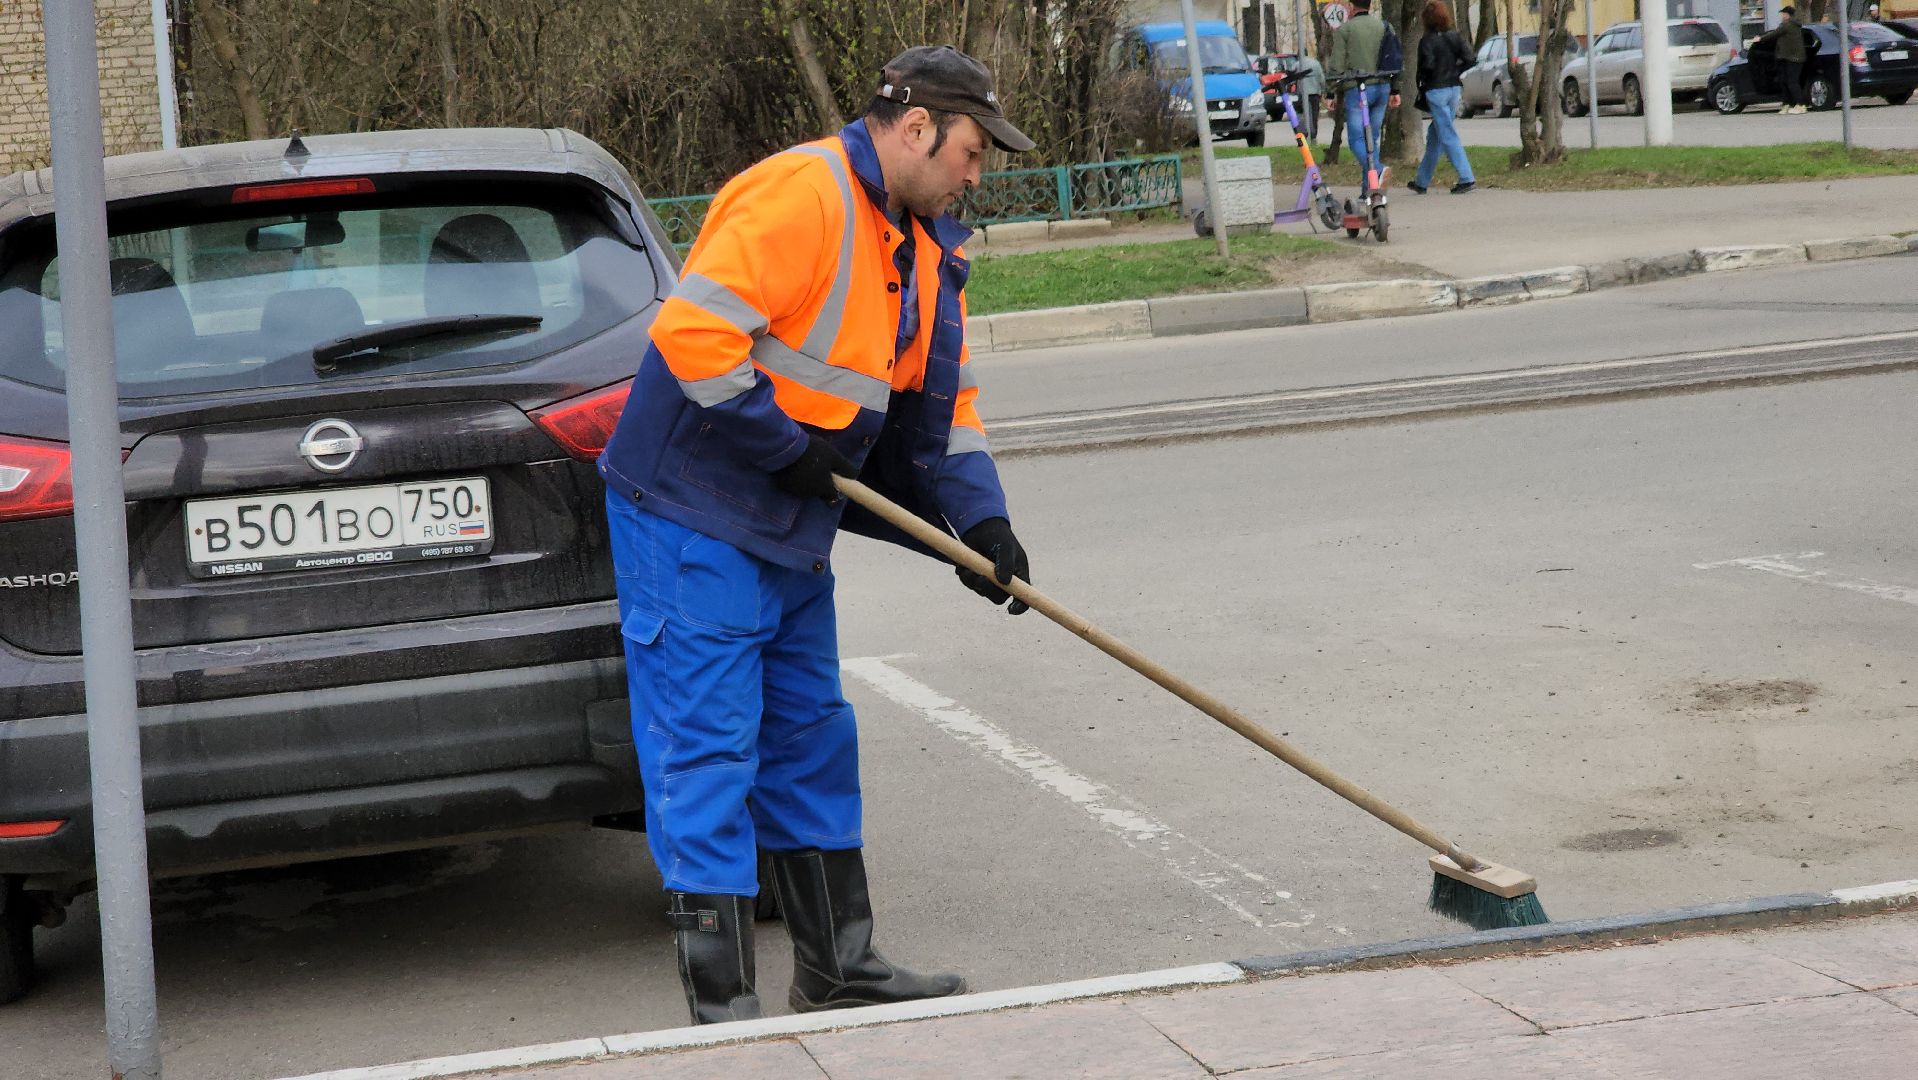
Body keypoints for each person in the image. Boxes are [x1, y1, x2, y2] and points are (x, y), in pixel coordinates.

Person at [596, 45, 1037, 1025]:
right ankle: (723, 1012)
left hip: (792, 518)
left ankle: (839, 962)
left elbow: (943, 412)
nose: (978, 171)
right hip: (693, 512)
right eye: (971, 150)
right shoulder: (803, 195)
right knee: (709, 750)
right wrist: (777, 442)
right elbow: (694, 336)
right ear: (917, 128)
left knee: (809, 734)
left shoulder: (923, 245)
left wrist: (982, 522)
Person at [1327, 0, 1401, 190]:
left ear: (1351, 6)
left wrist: (1330, 92)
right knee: (1371, 140)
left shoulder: (1345, 30)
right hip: (1383, 86)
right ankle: (1370, 190)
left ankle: (1377, 170)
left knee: (1356, 140)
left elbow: (1336, 65)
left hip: (1358, 89)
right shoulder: (1384, 26)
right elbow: (1394, 57)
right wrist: (1395, 89)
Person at [1408, 0, 1477, 195]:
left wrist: (1423, 80)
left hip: (1436, 90)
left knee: (1446, 134)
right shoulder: (1454, 37)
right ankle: (1421, 181)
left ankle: (1466, 177)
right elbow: (1471, 58)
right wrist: (1455, 70)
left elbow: (1427, 66)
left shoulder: (1427, 41)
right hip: (1454, 89)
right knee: (1436, 135)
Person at [1755, 5, 1808, 114]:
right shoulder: (1791, 25)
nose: (1782, 15)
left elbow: (1774, 34)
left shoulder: (1788, 25)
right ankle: (1787, 104)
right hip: (1787, 57)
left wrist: (1760, 38)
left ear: (1788, 15)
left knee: (1792, 82)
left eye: (1783, 14)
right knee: (1784, 81)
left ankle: (1801, 105)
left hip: (1794, 58)